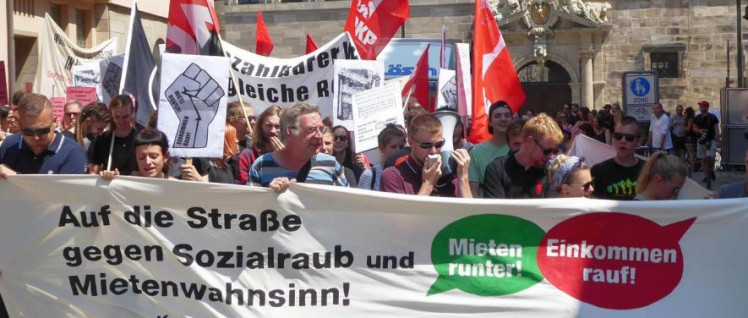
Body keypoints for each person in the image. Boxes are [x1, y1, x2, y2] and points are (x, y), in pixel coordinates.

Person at [249, 103, 347, 192]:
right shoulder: (261, 165)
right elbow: (248, 207)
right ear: (290, 131)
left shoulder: (330, 164)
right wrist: (268, 194)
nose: (319, 136)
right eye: (310, 130)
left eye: (321, 129)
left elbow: (350, 205)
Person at [380, 113, 472, 197]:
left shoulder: (449, 172)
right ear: (411, 142)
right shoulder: (393, 176)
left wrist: (463, 177)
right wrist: (428, 185)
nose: (433, 151)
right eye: (426, 145)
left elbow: (471, 213)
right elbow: (403, 215)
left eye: (438, 144)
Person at [0, 93, 87, 177]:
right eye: (28, 132)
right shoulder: (9, 146)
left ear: (54, 122)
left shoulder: (72, 153)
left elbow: (65, 191)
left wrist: (15, 177)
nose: (36, 137)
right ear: (19, 125)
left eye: (42, 131)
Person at [483, 113, 563, 199]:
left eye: (555, 151)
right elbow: (495, 209)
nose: (551, 156)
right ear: (530, 142)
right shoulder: (497, 169)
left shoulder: (550, 173)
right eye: (547, 151)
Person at [590, 116, 645, 200]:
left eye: (629, 138)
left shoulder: (649, 171)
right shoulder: (598, 171)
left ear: (638, 142)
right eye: (618, 136)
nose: (623, 141)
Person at [468, 101, 513, 197]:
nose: (503, 119)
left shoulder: (521, 148)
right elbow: (473, 192)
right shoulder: (476, 152)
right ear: (490, 122)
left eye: (507, 115)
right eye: (498, 116)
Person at [88, 95, 138, 175]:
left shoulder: (140, 138)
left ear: (132, 113)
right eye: (117, 117)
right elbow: (94, 171)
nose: (121, 121)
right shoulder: (102, 139)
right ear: (111, 114)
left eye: (125, 116)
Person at [100, 129, 175, 180]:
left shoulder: (175, 186)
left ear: (165, 156)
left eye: (153, 156)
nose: (147, 162)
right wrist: (111, 180)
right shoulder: (128, 184)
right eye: (141, 157)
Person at [236, 105, 283, 185]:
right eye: (268, 125)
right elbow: (243, 187)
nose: (272, 130)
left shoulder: (294, 154)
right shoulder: (248, 155)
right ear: (261, 126)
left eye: (277, 126)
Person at [358, 124, 406, 191]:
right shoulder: (369, 175)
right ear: (382, 148)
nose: (398, 151)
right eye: (393, 147)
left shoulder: (408, 171)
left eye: (401, 147)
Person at [693, 100, 719, 189]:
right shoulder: (698, 117)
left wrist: (717, 139)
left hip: (711, 139)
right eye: (700, 106)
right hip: (701, 139)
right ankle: (706, 175)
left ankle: (710, 171)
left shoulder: (713, 117)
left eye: (702, 106)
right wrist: (699, 131)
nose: (700, 108)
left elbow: (716, 129)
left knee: (712, 157)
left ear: (706, 108)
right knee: (702, 158)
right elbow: (694, 127)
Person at [684, 106, 697, 172]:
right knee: (691, 152)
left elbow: (688, 129)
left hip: (689, 137)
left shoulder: (690, 119)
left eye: (685, 112)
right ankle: (692, 166)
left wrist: (682, 126)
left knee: (691, 153)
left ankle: (692, 167)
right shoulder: (691, 119)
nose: (684, 114)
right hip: (691, 137)